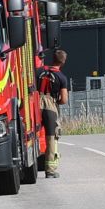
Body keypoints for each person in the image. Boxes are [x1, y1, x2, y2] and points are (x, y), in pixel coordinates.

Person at [37, 49, 70, 178]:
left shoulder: (39, 71)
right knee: (51, 137)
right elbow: (64, 99)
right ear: (63, 62)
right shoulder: (61, 77)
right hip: (50, 105)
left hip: (35, 103)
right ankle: (50, 170)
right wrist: (56, 101)